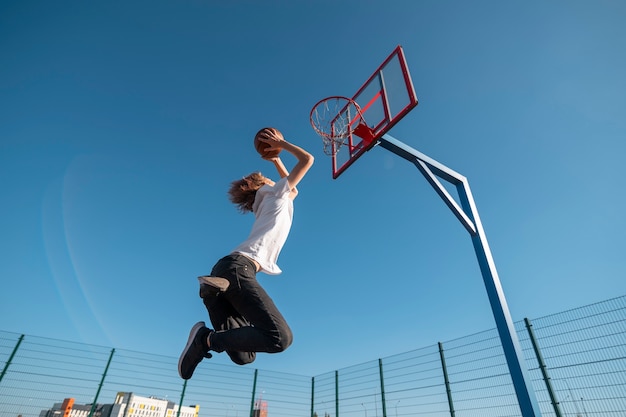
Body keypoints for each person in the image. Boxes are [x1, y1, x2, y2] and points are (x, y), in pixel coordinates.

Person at [178, 127, 314, 379]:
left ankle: (212, 299)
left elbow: (293, 191)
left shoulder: (268, 200)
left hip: (225, 270)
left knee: (244, 356)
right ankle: (205, 335)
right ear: (260, 185)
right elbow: (307, 160)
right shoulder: (273, 193)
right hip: (240, 268)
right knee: (280, 338)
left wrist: (275, 159)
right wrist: (282, 145)